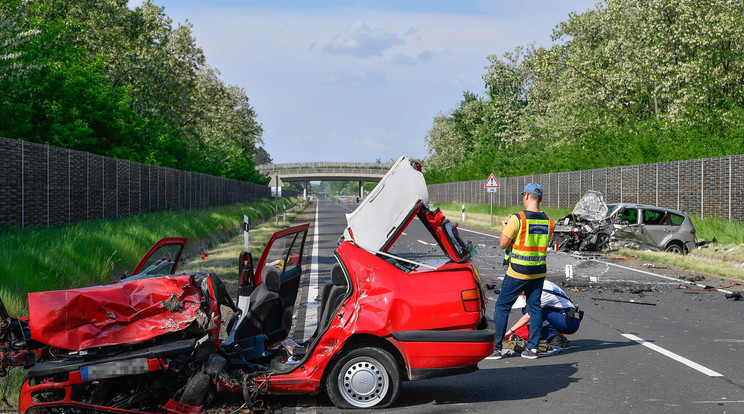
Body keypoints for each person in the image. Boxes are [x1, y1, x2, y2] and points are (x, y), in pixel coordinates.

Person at [492, 183, 554, 360]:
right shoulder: (549, 222)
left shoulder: (518, 219)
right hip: (539, 271)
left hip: (518, 271)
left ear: (526, 197)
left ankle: (496, 349)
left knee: (502, 306)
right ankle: (532, 349)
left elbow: (503, 243)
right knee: (534, 307)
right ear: (540, 199)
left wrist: (505, 226)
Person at [504, 280, 582, 349]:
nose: (520, 294)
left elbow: (528, 316)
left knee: (531, 310)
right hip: (567, 318)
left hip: (569, 322)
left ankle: (555, 337)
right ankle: (554, 336)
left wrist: (511, 331)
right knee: (531, 309)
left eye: (520, 291)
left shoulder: (541, 292)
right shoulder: (540, 284)